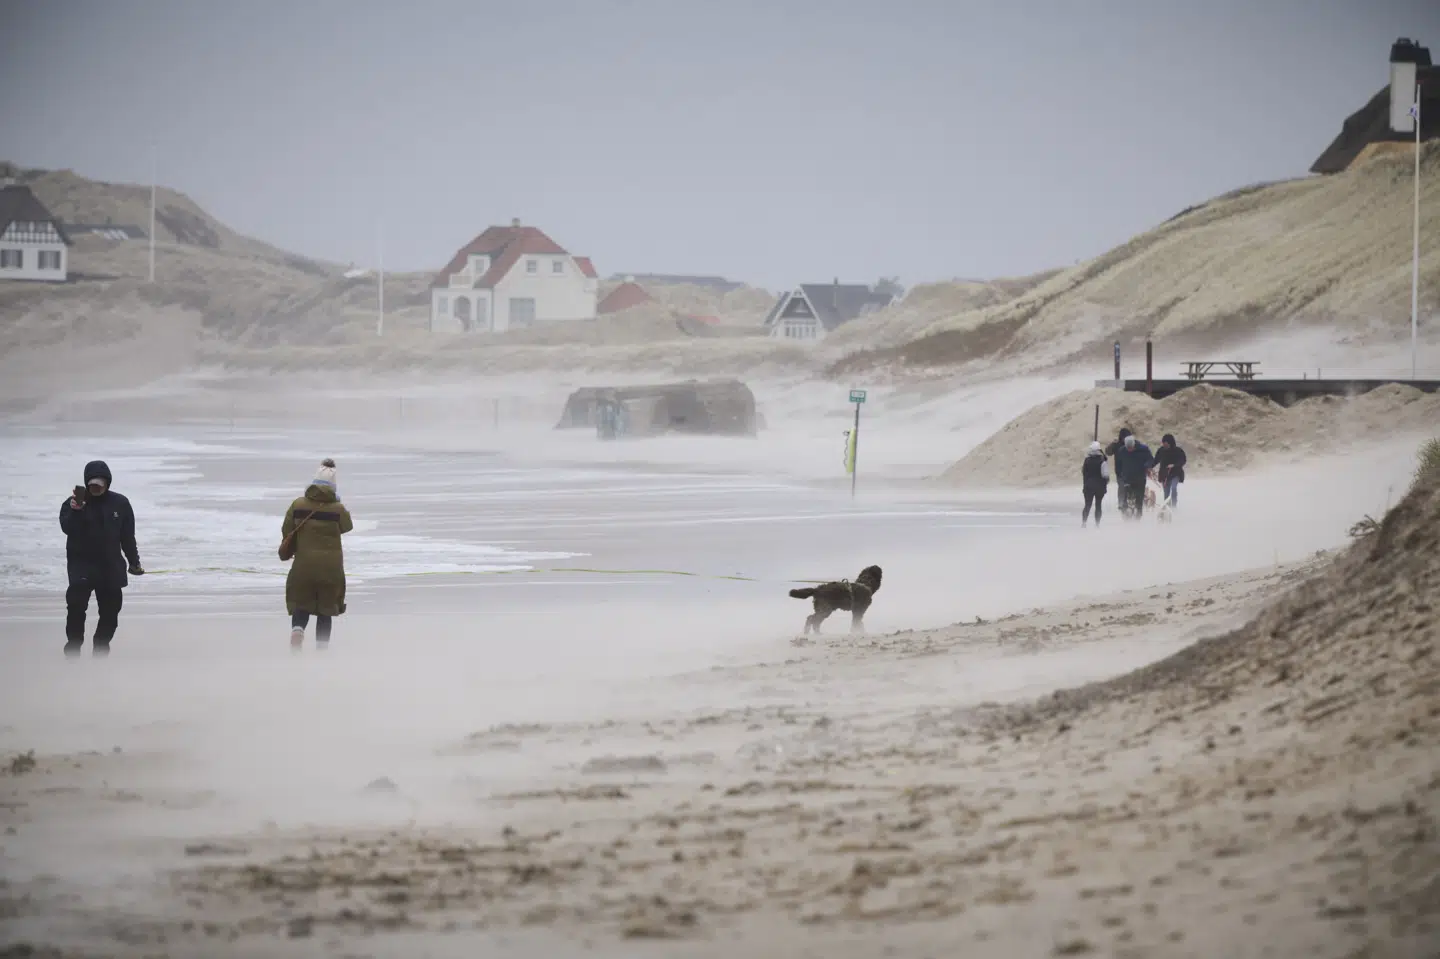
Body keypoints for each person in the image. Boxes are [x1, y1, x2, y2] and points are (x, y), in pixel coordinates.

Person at [59, 460, 143, 656]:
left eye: (100, 483)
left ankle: (100, 649)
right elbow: (68, 528)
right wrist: (76, 511)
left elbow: (127, 537)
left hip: (110, 567)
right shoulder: (72, 504)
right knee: (76, 608)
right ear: (86, 483)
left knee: (110, 613)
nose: (96, 487)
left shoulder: (120, 503)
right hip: (81, 566)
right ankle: (73, 647)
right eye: (92, 484)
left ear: (107, 482)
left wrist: (134, 562)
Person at [282, 458, 353, 648]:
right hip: (331, 567)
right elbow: (347, 527)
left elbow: (286, 530)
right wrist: (337, 504)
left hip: (303, 564)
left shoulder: (298, 505)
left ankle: (297, 629)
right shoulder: (338, 509)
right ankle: (322, 650)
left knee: (301, 602)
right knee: (325, 609)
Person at [1114, 433, 1155, 519]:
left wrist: (1147, 466)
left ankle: (1138, 515)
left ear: (1134, 445)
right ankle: (1126, 515)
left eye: (1131, 448)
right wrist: (1119, 475)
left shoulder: (1143, 449)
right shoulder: (1122, 451)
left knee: (1139, 497)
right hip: (1127, 478)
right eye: (1127, 448)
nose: (1129, 450)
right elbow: (1118, 464)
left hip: (1140, 478)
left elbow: (1151, 459)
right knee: (1126, 497)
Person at [1154, 433, 1187, 509]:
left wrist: (1174, 465)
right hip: (1164, 474)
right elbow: (1155, 461)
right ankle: (1167, 508)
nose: (1164, 445)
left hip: (1176, 473)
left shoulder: (1178, 450)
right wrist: (1149, 467)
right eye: (1163, 443)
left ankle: (1174, 507)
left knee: (1174, 488)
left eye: (1166, 444)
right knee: (1166, 493)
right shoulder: (1161, 450)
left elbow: (1183, 460)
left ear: (1170, 443)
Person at [1081, 440, 1110, 526]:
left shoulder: (1086, 460)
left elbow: (1083, 472)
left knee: (1087, 505)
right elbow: (1105, 475)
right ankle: (1097, 523)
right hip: (1099, 487)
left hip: (1088, 486)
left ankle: (1084, 522)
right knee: (1098, 505)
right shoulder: (1102, 462)